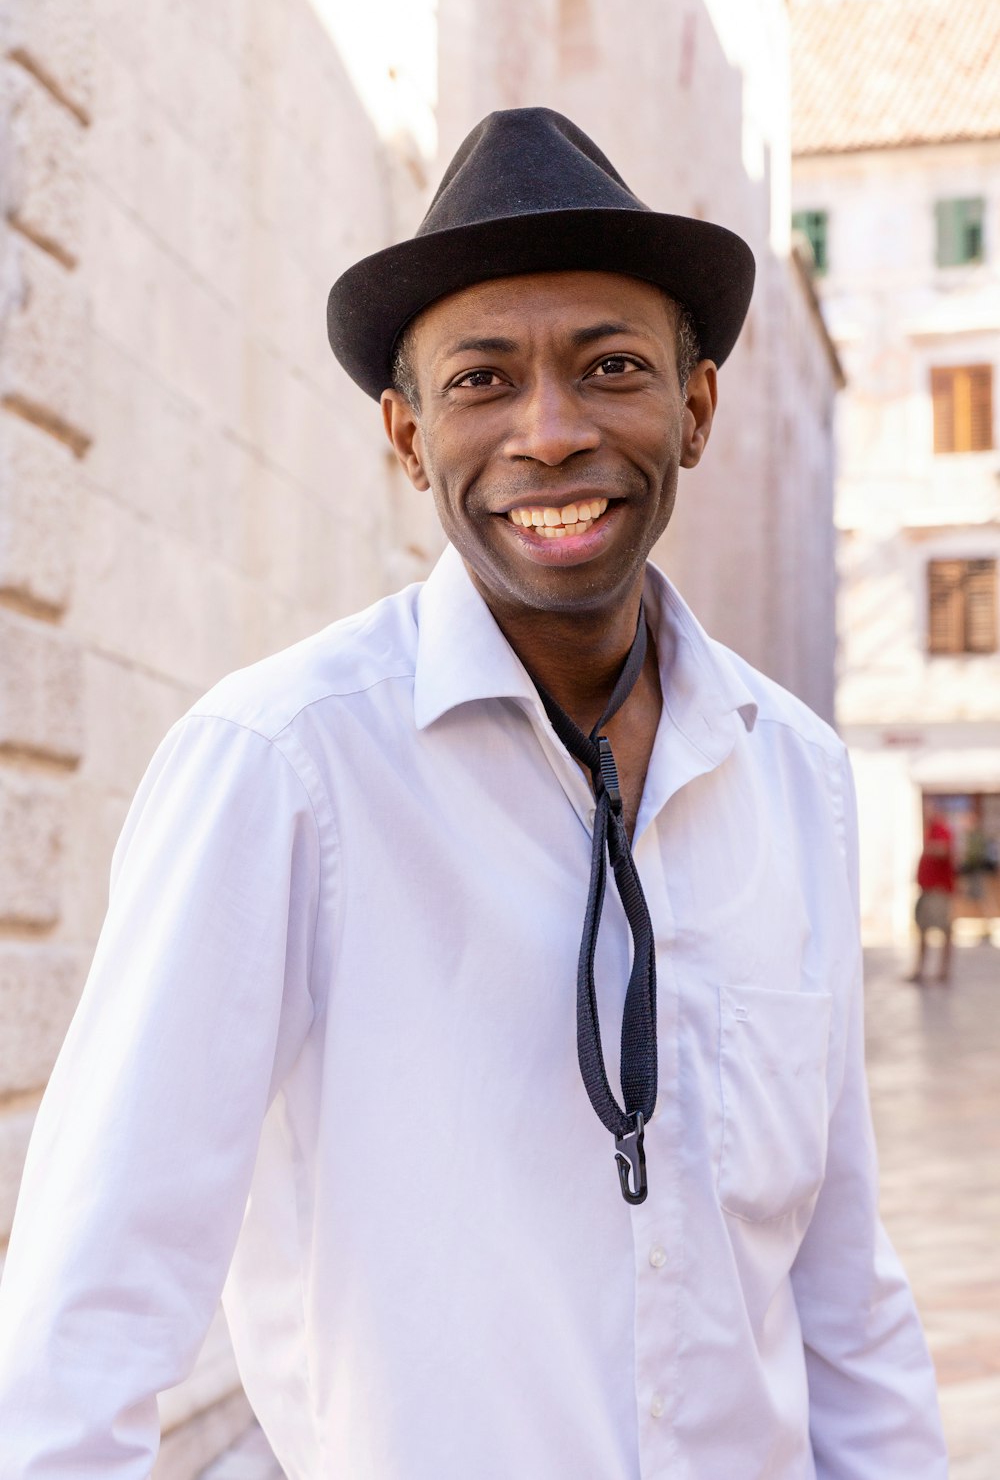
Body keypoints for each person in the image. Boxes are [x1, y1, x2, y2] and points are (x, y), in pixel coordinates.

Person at [0, 108, 946, 1479]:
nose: (550, 433)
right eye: (483, 381)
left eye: (610, 366)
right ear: (405, 433)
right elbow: (86, 1315)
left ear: (695, 406)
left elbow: (843, 1296)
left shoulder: (793, 772)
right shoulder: (280, 767)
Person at [909, 807, 956, 985]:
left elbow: (944, 850)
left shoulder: (940, 830)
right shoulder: (931, 831)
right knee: (922, 928)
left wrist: (929, 848)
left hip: (938, 890)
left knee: (943, 929)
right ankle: (921, 969)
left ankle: (943, 970)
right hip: (927, 889)